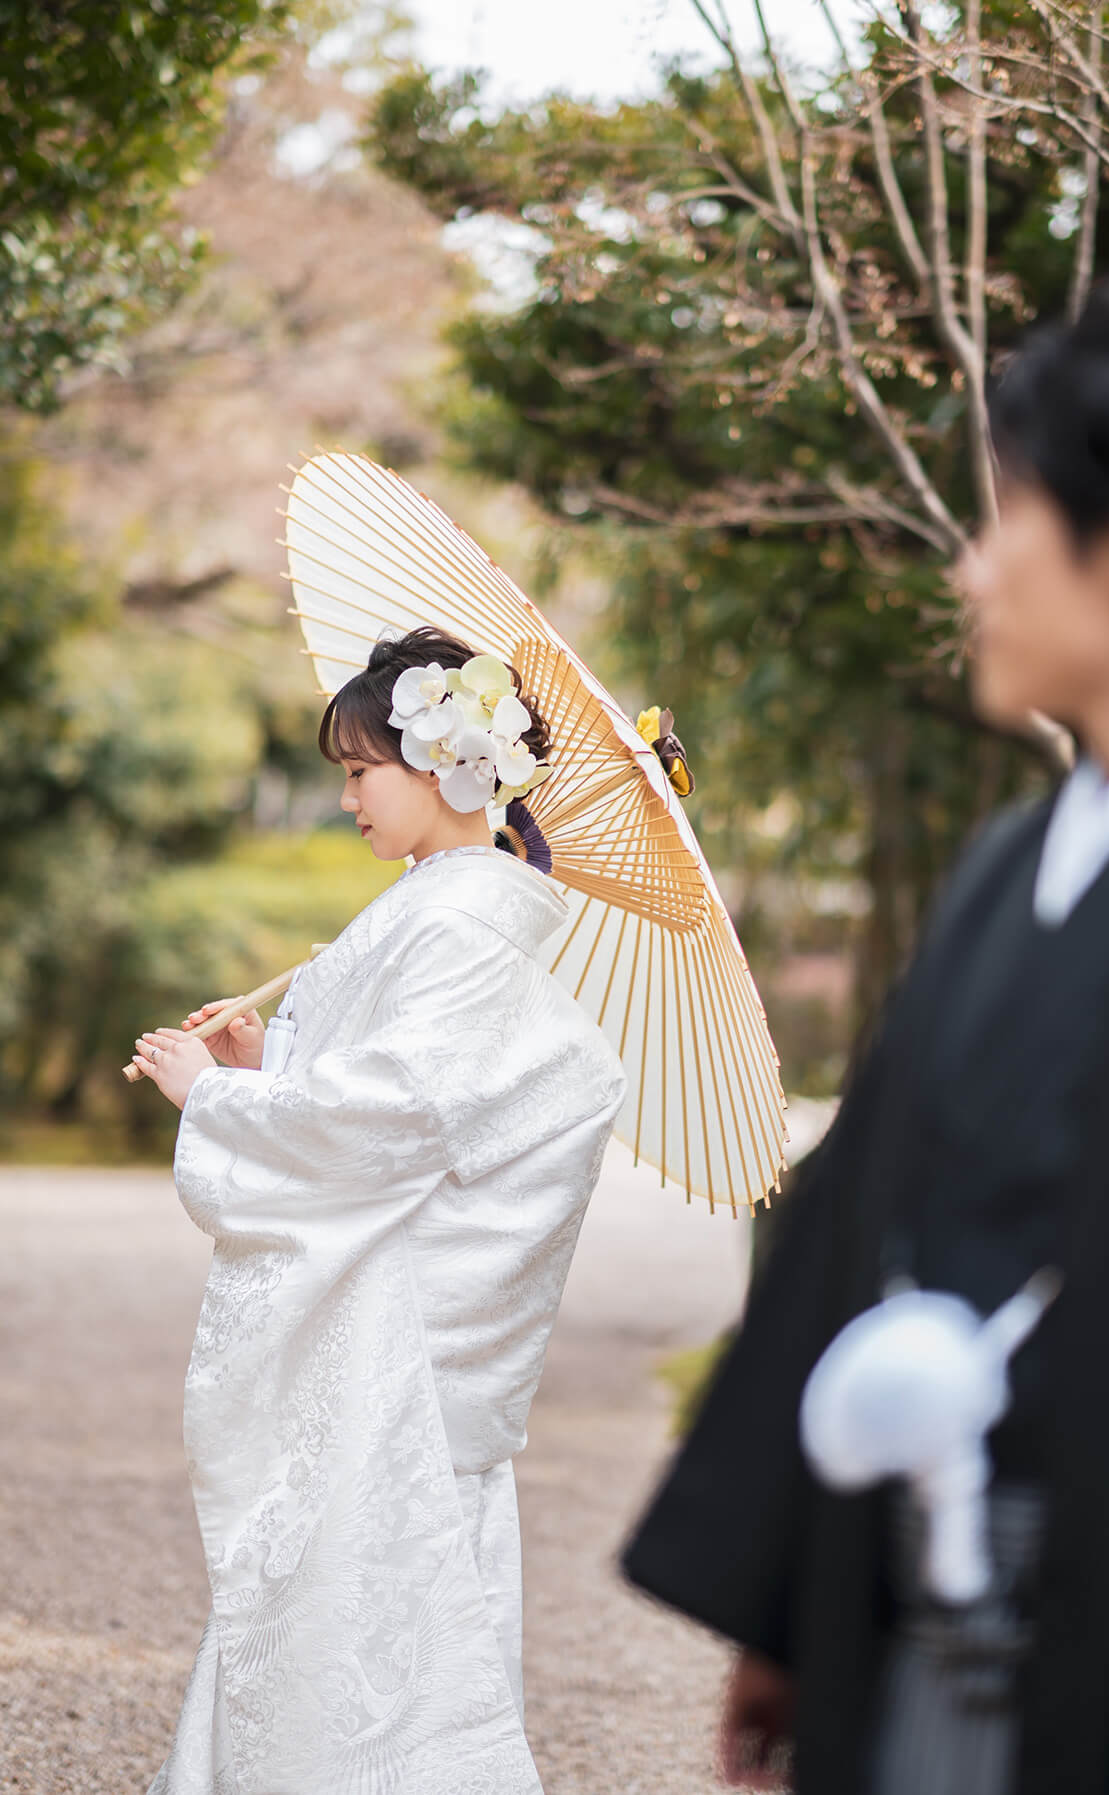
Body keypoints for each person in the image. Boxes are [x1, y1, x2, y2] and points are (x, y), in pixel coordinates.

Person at [622, 278, 1109, 1795]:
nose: (970, 572)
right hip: (909, 1577)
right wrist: (787, 1598)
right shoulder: (1010, 863)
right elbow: (858, 1213)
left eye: (1005, 517)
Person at [132, 626, 626, 1795]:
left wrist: (221, 1105)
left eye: (362, 771)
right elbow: (381, 1088)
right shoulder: (439, 904)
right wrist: (264, 1070)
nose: (347, 796)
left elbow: (398, 1113)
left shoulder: (458, 918)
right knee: (334, 1626)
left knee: (351, 1629)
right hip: (405, 1350)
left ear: (448, 766)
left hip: (402, 1352)